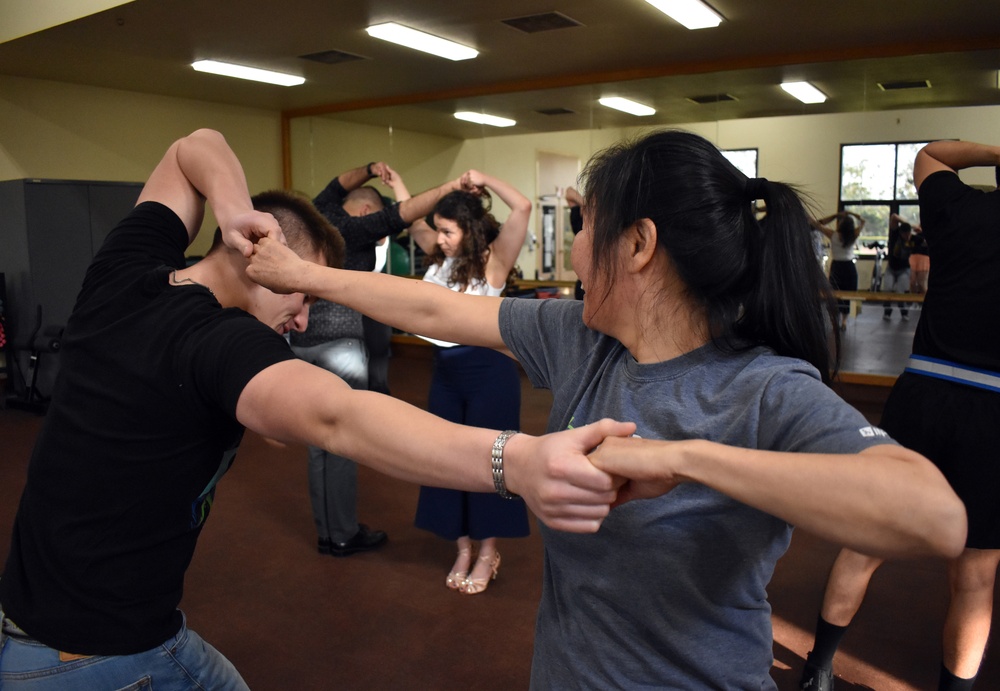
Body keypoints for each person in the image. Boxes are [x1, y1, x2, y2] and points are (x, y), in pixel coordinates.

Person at [247, 129, 966, 688]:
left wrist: (681, 458)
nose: (577, 245)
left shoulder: (765, 387)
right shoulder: (581, 338)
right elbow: (434, 304)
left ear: (641, 244)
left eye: (586, 225)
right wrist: (304, 273)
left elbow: (934, 515)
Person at [0, 128, 636, 691]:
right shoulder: (218, 342)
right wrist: (518, 461)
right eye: (299, 296)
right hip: (102, 657)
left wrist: (233, 215)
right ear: (264, 266)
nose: (303, 319)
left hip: (27, 623)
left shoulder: (124, 271)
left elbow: (193, 146)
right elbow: (340, 416)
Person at [799, 139, 1000, 691]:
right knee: (976, 578)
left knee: (866, 543)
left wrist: (996, 151)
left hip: (926, 393)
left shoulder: (961, 210)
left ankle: (817, 672)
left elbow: (932, 154)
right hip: (995, 410)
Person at [291, 160, 463, 557]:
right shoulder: (357, 229)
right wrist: (450, 184)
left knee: (317, 444)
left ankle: (328, 531)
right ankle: (344, 534)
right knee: (342, 440)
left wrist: (369, 169)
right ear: (367, 211)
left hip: (302, 342)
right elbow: (406, 214)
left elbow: (337, 181)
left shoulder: (320, 213)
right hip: (340, 345)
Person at [403, 170, 531, 594]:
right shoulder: (439, 260)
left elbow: (522, 207)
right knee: (444, 458)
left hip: (487, 373)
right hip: (445, 372)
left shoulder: (492, 263)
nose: (439, 237)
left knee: (489, 464)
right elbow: (413, 219)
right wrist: (404, 187)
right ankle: (461, 547)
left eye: (448, 231)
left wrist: (486, 179)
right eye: (438, 230)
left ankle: (487, 550)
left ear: (469, 229)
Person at [811, 211, 865, 330]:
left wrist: (836, 215)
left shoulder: (833, 235)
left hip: (837, 266)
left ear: (840, 224)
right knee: (847, 294)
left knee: (835, 293)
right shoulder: (854, 235)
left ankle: (836, 319)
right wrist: (853, 213)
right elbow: (863, 221)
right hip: (849, 266)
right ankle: (844, 321)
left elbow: (817, 225)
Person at [882, 214, 913, 320]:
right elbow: (894, 216)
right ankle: (887, 312)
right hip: (891, 268)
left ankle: (904, 313)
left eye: (909, 234)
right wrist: (910, 224)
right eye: (906, 234)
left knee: (900, 292)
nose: (907, 237)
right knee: (887, 289)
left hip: (904, 270)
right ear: (901, 233)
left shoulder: (913, 239)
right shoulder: (895, 234)